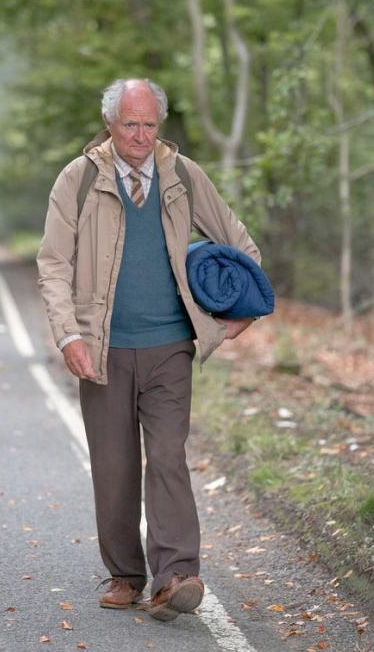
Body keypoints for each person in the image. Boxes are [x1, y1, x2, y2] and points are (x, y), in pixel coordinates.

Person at [36, 77, 262, 622]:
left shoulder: (183, 176)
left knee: (166, 457)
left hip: (169, 347)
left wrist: (238, 313)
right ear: (110, 123)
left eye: (149, 124)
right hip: (103, 347)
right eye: (130, 124)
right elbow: (53, 263)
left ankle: (177, 576)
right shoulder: (81, 177)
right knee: (114, 467)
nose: (140, 136)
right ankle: (125, 575)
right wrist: (69, 335)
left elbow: (238, 241)